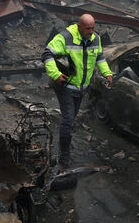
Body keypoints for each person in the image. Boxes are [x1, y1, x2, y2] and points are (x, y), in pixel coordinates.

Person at [42, 14, 113, 167]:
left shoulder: (95, 39)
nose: (91, 31)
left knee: (71, 117)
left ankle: (65, 140)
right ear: (79, 26)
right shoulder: (65, 37)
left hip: (81, 88)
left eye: (93, 28)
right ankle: (64, 156)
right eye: (88, 28)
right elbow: (47, 54)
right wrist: (55, 74)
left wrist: (107, 73)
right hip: (65, 87)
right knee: (68, 120)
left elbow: (99, 57)